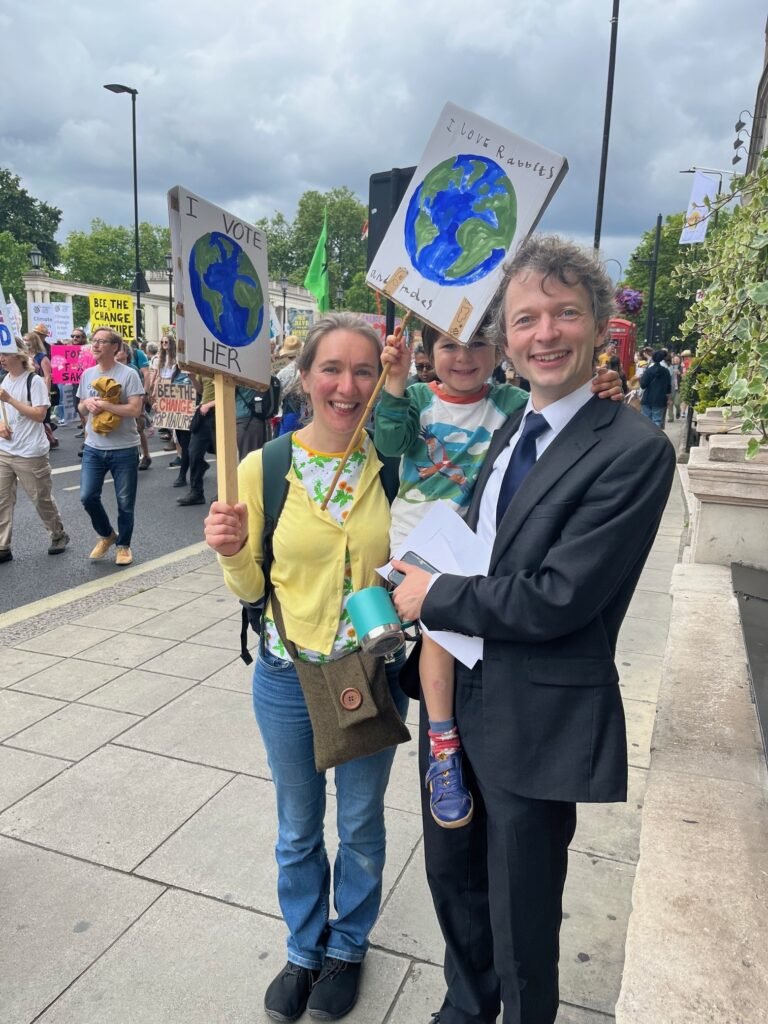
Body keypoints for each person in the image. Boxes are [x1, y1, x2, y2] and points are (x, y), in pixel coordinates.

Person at [391, 236, 676, 1024]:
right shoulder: (512, 430)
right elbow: (488, 549)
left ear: (598, 327)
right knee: (453, 876)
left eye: (564, 313)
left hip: (538, 716)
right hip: (456, 697)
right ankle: (464, 1008)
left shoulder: (634, 450)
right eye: (525, 319)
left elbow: (560, 597)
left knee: (521, 914)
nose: (544, 333)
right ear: (507, 340)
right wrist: (423, 567)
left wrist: (435, 593)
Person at [204, 313, 410, 1023]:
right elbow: (249, 588)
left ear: (379, 378)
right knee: (297, 828)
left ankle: (347, 947)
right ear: (305, 376)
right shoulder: (267, 467)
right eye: (332, 369)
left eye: (363, 370)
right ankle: (304, 948)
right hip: (287, 676)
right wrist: (231, 549)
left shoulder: (394, 464)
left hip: (370, 674)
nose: (347, 386)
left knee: (360, 824)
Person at [375, 323, 622, 829]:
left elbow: (559, 411)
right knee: (440, 628)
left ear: (500, 351)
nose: (464, 357)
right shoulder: (417, 398)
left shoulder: (511, 402)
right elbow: (390, 442)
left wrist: (599, 387)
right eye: (449, 345)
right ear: (428, 353)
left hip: (484, 542)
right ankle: (443, 745)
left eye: (477, 345)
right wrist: (395, 384)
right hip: (419, 541)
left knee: (481, 627)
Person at [77, 328, 145, 567]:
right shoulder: (87, 374)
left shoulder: (129, 374)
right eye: (93, 341)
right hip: (93, 447)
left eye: (101, 341)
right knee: (87, 497)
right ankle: (107, 534)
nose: (95, 345)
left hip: (124, 448)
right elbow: (81, 408)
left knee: (125, 502)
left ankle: (124, 545)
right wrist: (88, 403)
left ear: (115, 347)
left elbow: (134, 410)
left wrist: (104, 405)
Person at [0, 343, 69, 563]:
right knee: (2, 500)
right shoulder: (4, 380)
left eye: (6, 354)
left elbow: (40, 415)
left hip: (30, 452)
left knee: (40, 499)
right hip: (5, 451)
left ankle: (58, 534)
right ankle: (3, 546)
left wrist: (10, 399)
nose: (2, 358)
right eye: (0, 354)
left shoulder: (34, 381)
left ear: (20, 355)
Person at [116, 343, 153, 469]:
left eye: (119, 351)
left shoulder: (132, 370)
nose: (116, 353)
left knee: (138, 429)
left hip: (134, 403)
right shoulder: (113, 369)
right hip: (120, 404)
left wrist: (141, 406)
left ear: (126, 353)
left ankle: (146, 455)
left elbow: (138, 390)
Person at [639, 350, 671, 428]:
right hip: (660, 399)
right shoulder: (666, 371)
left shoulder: (648, 370)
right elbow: (668, 387)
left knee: (645, 420)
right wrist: (669, 399)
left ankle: (646, 434)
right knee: (657, 420)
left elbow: (643, 385)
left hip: (647, 398)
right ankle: (655, 434)